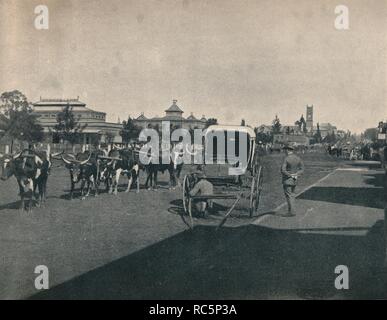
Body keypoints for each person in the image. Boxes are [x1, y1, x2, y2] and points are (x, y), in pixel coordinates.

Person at [281, 144, 304, 217]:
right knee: (292, 195)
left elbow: (283, 170)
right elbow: (302, 169)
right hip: (295, 179)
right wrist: (296, 174)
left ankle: (291, 211)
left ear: (288, 150)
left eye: (285, 150)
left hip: (287, 180)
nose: (284, 151)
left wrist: (289, 174)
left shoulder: (286, 159)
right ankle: (292, 210)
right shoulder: (298, 158)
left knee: (289, 196)